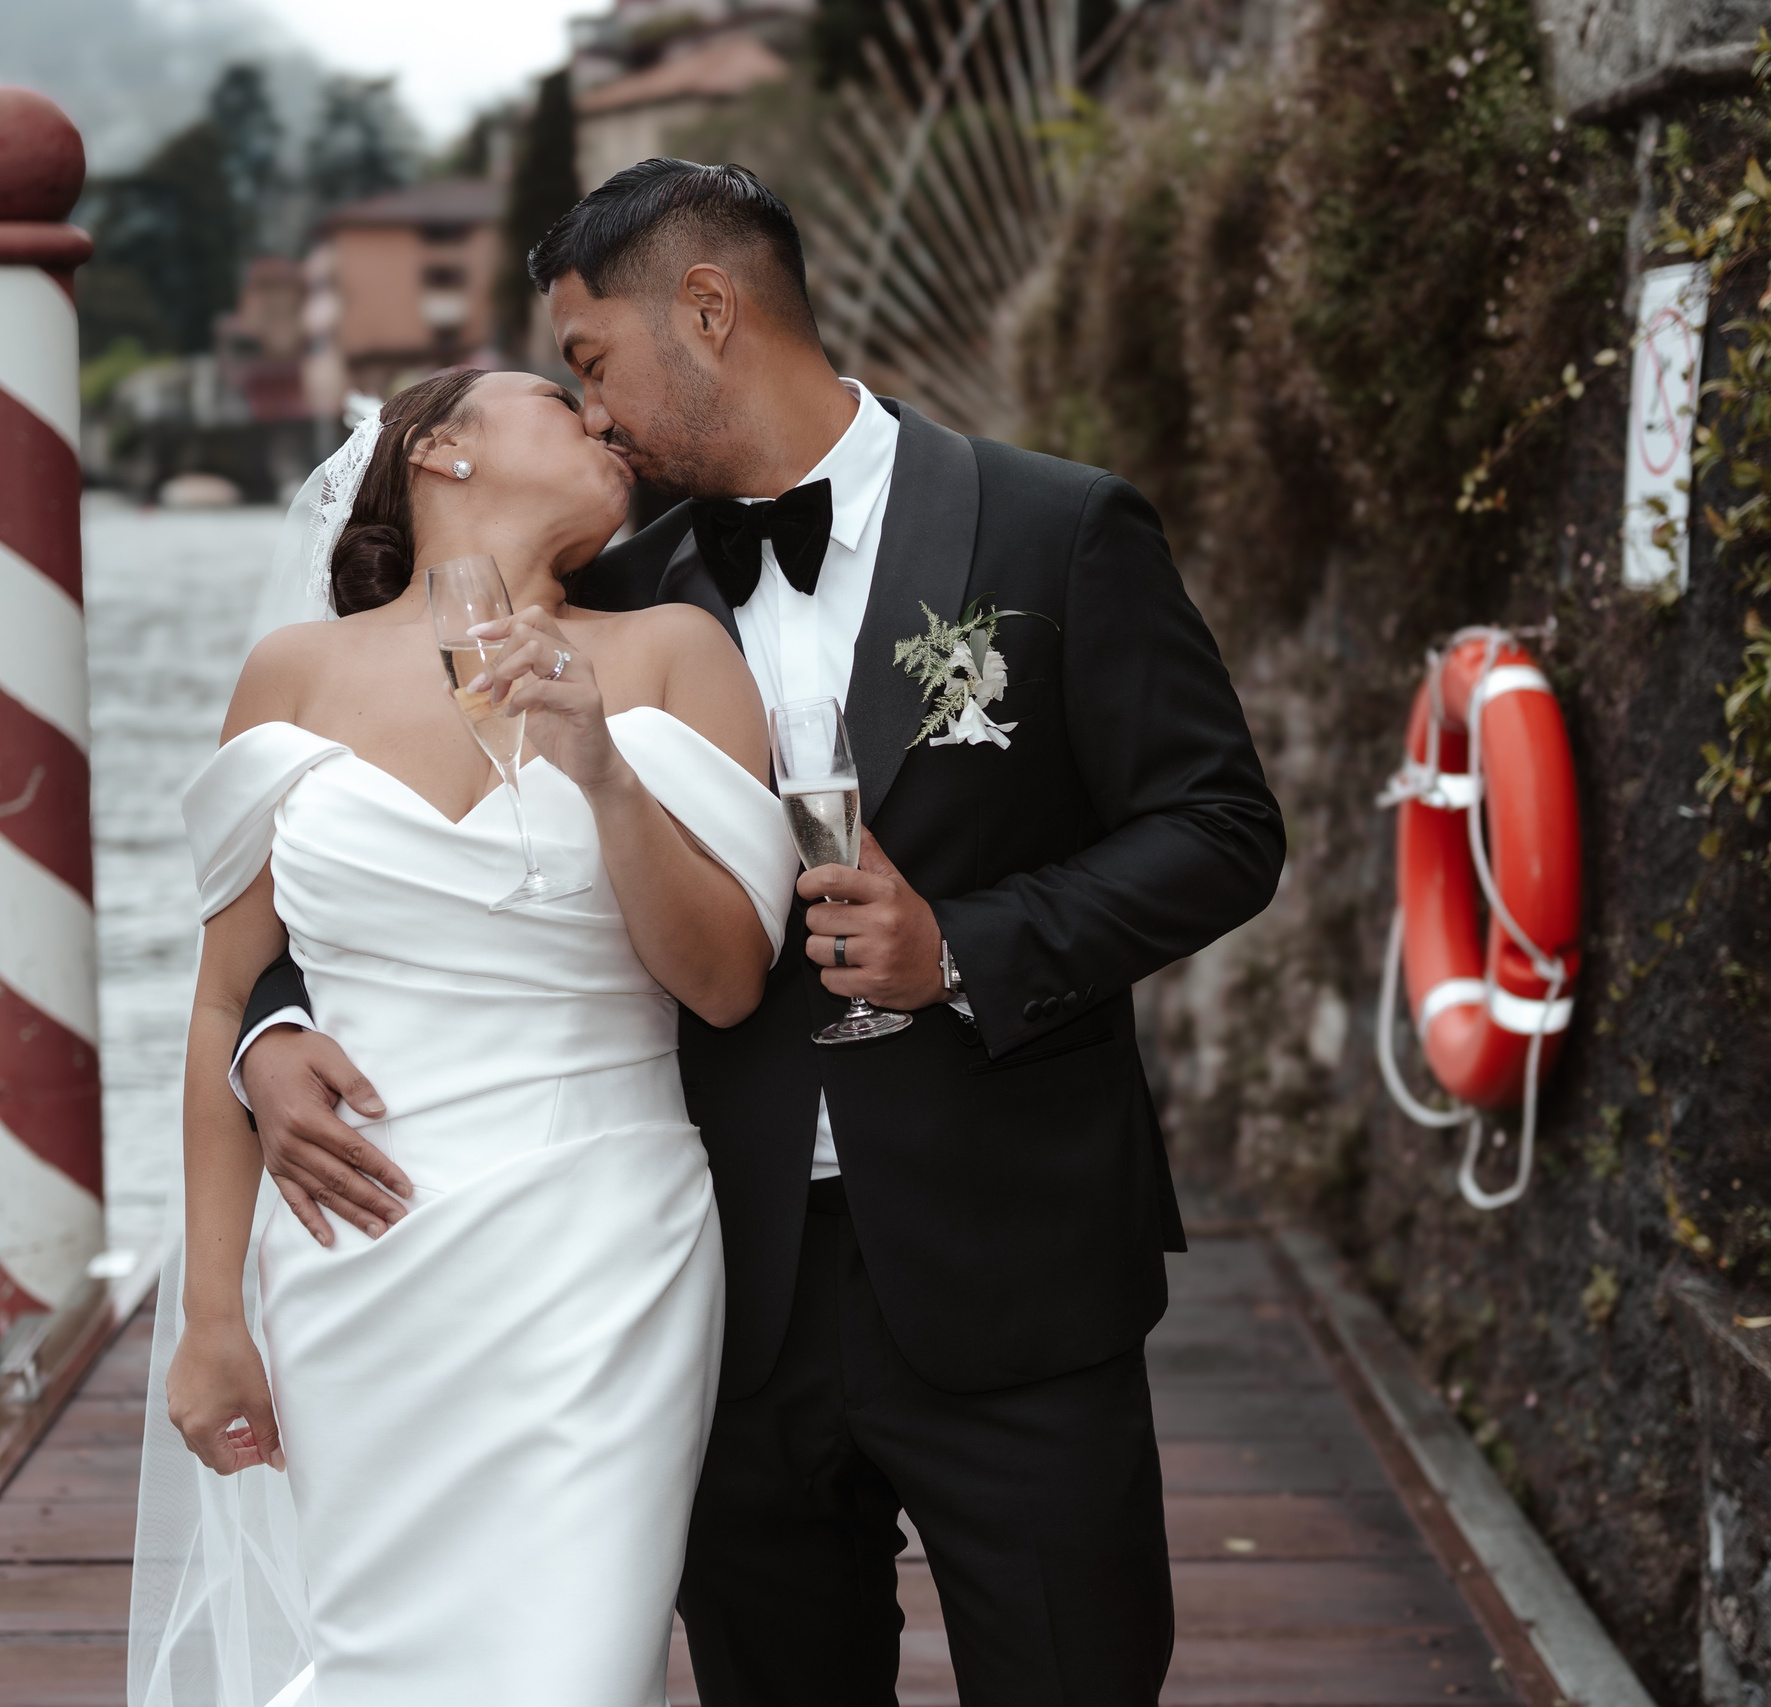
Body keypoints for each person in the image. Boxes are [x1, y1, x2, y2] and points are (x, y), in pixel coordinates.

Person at [232, 161, 1287, 1705]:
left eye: (593, 363)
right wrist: (266, 1032)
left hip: (1012, 1262)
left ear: (709, 311)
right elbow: (388, 857)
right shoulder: (608, 595)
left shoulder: (1054, 533)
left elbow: (1222, 830)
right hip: (704, 1285)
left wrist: (970, 947)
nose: (591, 418)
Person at [126, 367, 800, 1706]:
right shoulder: (294, 675)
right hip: (352, 1262)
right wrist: (211, 1315)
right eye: (562, 401)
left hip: (599, 1251)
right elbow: (226, 999)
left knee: (574, 1673)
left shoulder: (673, 654)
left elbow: (725, 984)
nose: (607, 420)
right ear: (439, 449)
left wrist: (602, 769)